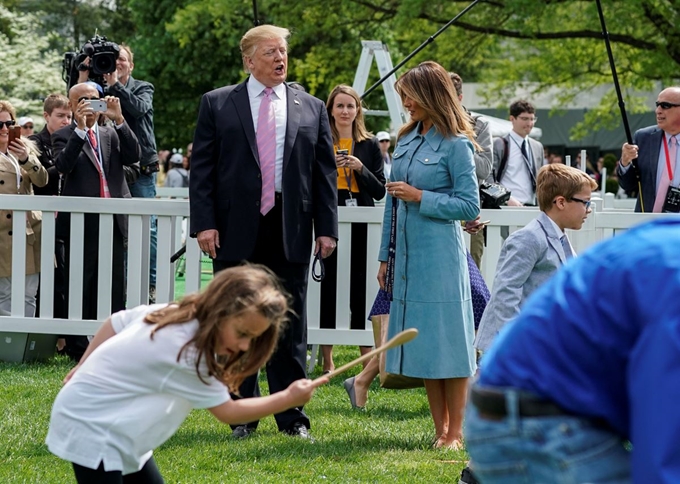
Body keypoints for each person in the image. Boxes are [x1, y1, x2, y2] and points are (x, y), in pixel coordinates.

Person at [189, 24, 338, 440]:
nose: (279, 58)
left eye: (283, 51)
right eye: (270, 52)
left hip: (290, 227)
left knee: (289, 323)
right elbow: (201, 171)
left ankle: (293, 418)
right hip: (235, 228)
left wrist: (326, 229)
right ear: (249, 59)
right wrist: (204, 222)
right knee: (235, 321)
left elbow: (323, 173)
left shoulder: (311, 106)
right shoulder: (218, 104)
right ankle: (242, 416)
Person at [46, 264, 327, 483]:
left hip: (123, 429)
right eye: (242, 333)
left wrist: (83, 366)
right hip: (94, 426)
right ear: (221, 311)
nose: (244, 346)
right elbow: (229, 412)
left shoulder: (179, 311)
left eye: (252, 339)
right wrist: (288, 398)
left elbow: (115, 322)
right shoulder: (188, 354)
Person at [465, 219, 680, 483]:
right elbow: (663, 430)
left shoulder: (667, 241)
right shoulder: (673, 280)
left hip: (520, 403)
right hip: (535, 419)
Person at [376, 61, 480, 449]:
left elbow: (469, 206)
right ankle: (441, 430)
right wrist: (385, 258)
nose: (405, 103)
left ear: (431, 95)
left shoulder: (457, 145)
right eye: (403, 95)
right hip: (406, 259)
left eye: (410, 96)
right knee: (426, 347)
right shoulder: (405, 138)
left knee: (450, 345)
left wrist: (422, 198)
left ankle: (456, 433)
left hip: (440, 259)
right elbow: (391, 203)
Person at [52, 82, 140, 361]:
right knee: (81, 283)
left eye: (96, 100)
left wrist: (120, 119)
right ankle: (78, 348)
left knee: (114, 284)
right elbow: (62, 167)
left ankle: (112, 344)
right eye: (84, 100)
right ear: (72, 104)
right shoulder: (65, 135)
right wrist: (80, 129)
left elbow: (136, 155)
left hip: (113, 219)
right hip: (82, 222)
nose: (91, 105)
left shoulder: (110, 133)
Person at [474, 164, 598, 353]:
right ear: (561, 202)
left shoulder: (560, 236)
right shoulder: (530, 238)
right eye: (585, 202)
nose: (588, 210)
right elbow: (505, 294)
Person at [81, 43, 160, 301]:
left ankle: (149, 285)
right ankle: (122, 287)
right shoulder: (97, 90)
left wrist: (116, 86)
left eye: (122, 59)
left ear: (131, 65)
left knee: (146, 229)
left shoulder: (143, 88)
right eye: (112, 60)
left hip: (143, 169)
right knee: (117, 231)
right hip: (111, 170)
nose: (117, 63)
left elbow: (138, 109)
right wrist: (83, 77)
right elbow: (78, 112)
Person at [319, 85, 386, 374]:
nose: (345, 111)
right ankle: (327, 360)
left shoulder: (369, 145)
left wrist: (360, 168)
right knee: (328, 284)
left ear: (358, 110)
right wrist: (328, 169)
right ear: (330, 110)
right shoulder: (320, 140)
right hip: (329, 217)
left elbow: (381, 190)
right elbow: (310, 182)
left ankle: (365, 358)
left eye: (351, 106)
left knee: (360, 285)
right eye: (340, 106)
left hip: (361, 217)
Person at [0, 101, 48, 316]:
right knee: (6, 292)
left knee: (29, 292)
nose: (4, 129)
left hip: (29, 230)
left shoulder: (23, 149)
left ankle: (26, 346)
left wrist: (26, 160)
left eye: (9, 123)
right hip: (3, 230)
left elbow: (42, 180)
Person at [29, 94, 72, 333]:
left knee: (66, 274)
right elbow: (40, 177)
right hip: (41, 216)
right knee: (49, 274)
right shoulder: (34, 142)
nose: (66, 120)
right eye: (60, 116)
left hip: (67, 215)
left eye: (69, 115)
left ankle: (64, 333)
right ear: (46, 116)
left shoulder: (74, 139)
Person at [449, 72, 493, 270]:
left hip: (470, 214)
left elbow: (484, 169)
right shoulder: (427, 126)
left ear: (459, 98)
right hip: (436, 213)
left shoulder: (479, 125)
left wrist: (458, 145)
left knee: (472, 277)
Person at [618, 86, 680, 213]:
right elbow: (628, 185)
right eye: (657, 105)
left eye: (665, 105)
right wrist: (625, 162)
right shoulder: (643, 138)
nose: (658, 110)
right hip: (648, 225)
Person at [492, 100, 544, 206]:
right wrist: (506, 198)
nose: (529, 123)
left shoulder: (537, 147)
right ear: (512, 119)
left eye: (532, 119)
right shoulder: (499, 144)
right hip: (506, 205)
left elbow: (541, 179)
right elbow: (489, 178)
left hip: (531, 205)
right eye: (524, 119)